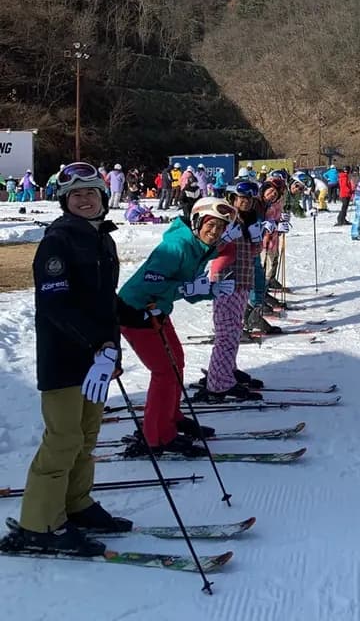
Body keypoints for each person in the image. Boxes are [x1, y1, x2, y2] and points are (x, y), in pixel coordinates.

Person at [4, 162, 130, 556]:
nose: (85, 199)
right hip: (64, 357)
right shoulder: (58, 241)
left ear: (103, 198)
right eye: (76, 195)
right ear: (64, 201)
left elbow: (105, 303)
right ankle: (38, 524)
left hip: (97, 359)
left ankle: (75, 503)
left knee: (87, 434)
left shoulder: (101, 240)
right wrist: (97, 346)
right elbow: (56, 306)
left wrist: (113, 348)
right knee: (63, 438)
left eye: (91, 193)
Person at [116, 197, 239, 456]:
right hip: (136, 310)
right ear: (197, 221)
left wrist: (211, 290)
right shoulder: (176, 245)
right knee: (163, 372)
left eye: (220, 227)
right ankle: (157, 437)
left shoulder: (200, 248)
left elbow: (190, 291)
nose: (215, 232)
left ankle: (172, 418)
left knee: (176, 362)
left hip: (157, 310)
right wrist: (185, 288)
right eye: (211, 225)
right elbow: (153, 282)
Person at [198, 180, 266, 400]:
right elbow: (209, 247)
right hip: (226, 277)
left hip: (244, 279)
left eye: (249, 199)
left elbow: (253, 252)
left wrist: (258, 240)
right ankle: (218, 383)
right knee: (226, 333)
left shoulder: (251, 220)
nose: (245, 203)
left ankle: (228, 371)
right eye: (241, 198)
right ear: (234, 198)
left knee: (235, 329)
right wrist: (224, 238)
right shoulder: (225, 218)